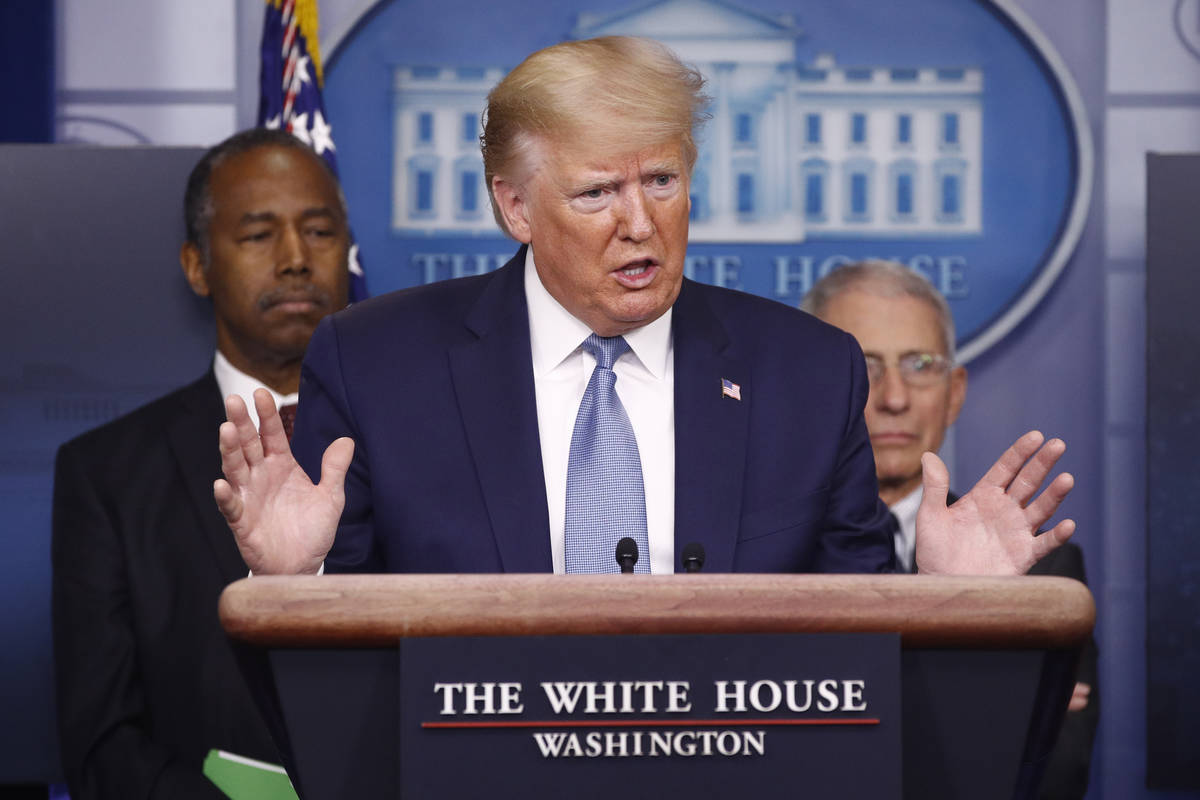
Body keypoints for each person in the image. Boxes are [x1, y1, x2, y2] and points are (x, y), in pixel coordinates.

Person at [214, 36, 1074, 584]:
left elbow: (855, 660)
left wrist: (951, 603)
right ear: (515, 207)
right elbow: (340, 680)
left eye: (661, 181)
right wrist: (295, 581)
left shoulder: (806, 373)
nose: (641, 222)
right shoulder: (376, 365)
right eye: (597, 193)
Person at [52, 128, 351, 798]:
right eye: (258, 235)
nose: (297, 258)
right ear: (197, 265)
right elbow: (101, 743)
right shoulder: (107, 477)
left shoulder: (421, 439)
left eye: (321, 231)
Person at [803, 259, 1098, 798]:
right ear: (809, 386)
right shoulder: (762, 557)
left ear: (955, 392)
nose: (894, 397)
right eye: (863, 364)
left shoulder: (1040, 569)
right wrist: (982, 703)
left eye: (919, 364)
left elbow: (1051, 778)